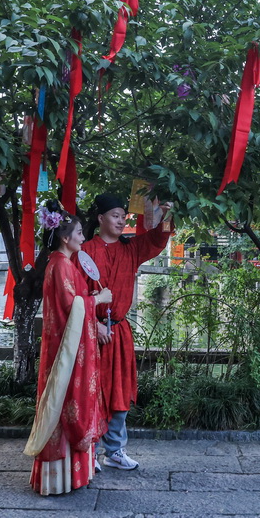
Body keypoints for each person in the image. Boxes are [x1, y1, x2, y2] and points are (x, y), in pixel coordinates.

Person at [24, 201, 112, 496]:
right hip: (68, 352)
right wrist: (97, 301)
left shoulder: (62, 264)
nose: (82, 238)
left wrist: (91, 297)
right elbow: (71, 307)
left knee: (65, 404)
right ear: (65, 237)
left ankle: (72, 475)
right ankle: (62, 477)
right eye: (78, 233)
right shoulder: (60, 265)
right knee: (65, 405)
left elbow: (74, 302)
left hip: (67, 348)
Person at [80, 192, 173, 471]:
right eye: (115, 216)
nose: (121, 221)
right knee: (92, 392)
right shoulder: (85, 251)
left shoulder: (130, 249)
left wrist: (167, 215)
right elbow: (74, 294)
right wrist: (94, 325)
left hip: (118, 332)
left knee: (119, 392)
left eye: (123, 216)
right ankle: (90, 452)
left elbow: (157, 239)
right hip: (91, 332)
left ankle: (115, 451)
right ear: (100, 219)